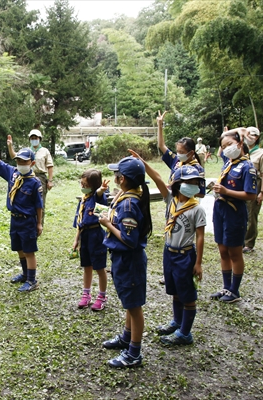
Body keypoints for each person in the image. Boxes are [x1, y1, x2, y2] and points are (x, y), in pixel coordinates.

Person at [130, 150, 206, 345]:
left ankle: (185, 333)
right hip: (169, 252)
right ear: (178, 186)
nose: (194, 186)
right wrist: (142, 162)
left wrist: (198, 263)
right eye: (190, 183)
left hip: (186, 255)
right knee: (175, 291)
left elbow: (200, 237)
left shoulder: (197, 208)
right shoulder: (171, 201)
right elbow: (157, 178)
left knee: (187, 294)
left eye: (196, 183)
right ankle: (177, 321)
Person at [100, 156, 152, 368]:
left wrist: (106, 224)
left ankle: (134, 353)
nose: (113, 177)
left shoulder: (129, 204)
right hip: (123, 260)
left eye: (116, 174)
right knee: (129, 304)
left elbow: (129, 240)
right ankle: (126, 337)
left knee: (134, 307)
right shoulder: (128, 196)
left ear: (122, 179)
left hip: (129, 260)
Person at [0, 134, 43, 292]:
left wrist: (39, 223)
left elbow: (39, 206)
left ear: (32, 163)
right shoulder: (13, 174)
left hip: (28, 220)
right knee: (20, 249)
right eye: (18, 161)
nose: (21, 164)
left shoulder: (35, 183)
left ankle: (32, 280)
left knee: (29, 251)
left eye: (24, 161)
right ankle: (24, 274)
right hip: (15, 220)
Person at [210, 131, 257, 303]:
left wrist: (226, 191)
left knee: (235, 252)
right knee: (223, 250)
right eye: (223, 147)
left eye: (228, 144)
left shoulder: (247, 167)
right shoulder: (229, 163)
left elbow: (251, 195)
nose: (225, 149)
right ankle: (226, 287)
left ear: (239, 143)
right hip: (220, 210)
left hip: (234, 212)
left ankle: (235, 290)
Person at [72, 169, 110, 311]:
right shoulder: (83, 199)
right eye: (81, 183)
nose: (82, 186)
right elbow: (79, 222)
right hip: (84, 235)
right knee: (86, 266)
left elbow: (99, 194)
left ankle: (102, 296)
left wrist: (101, 189)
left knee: (100, 267)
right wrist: (76, 240)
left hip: (96, 235)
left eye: (85, 184)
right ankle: (86, 294)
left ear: (93, 186)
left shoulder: (97, 197)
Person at [8, 129, 53, 226]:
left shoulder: (44, 151)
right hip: (26, 177)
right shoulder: (26, 151)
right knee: (26, 201)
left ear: (40, 139)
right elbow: (14, 156)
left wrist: (50, 180)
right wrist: (10, 146)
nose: (34, 140)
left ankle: (39, 224)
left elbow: (50, 166)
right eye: (32, 138)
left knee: (40, 203)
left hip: (40, 177)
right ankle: (28, 223)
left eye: (35, 138)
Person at [156, 110, 205, 197]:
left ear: (191, 153)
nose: (178, 154)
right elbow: (161, 145)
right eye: (177, 151)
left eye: (182, 152)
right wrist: (160, 126)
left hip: (187, 204)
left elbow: (201, 194)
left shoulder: (198, 169)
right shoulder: (176, 160)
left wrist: (179, 189)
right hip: (173, 201)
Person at [243, 127, 263, 253]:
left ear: (257, 137)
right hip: (242, 184)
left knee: (251, 214)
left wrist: (261, 192)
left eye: (252, 135)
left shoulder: (261, 153)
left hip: (255, 184)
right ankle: (241, 241)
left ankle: (249, 243)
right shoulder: (242, 151)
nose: (249, 137)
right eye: (247, 135)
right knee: (241, 213)